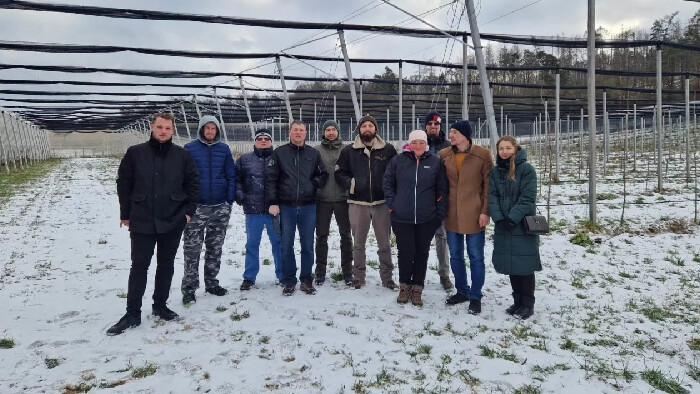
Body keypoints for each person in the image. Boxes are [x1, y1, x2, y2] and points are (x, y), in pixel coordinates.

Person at [108, 113, 199, 335]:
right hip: (142, 219)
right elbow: (124, 183)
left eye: (168, 128)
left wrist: (187, 213)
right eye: (159, 127)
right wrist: (125, 213)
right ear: (151, 127)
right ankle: (132, 313)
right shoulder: (135, 153)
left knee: (166, 265)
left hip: (173, 219)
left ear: (172, 130)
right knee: (139, 266)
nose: (163, 131)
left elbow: (193, 185)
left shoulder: (182, 156)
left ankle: (160, 305)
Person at [383, 130, 447, 306]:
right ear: (409, 144)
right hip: (401, 217)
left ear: (425, 143)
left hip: (427, 218)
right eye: (414, 142)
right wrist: (392, 204)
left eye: (421, 142)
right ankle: (404, 286)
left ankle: (417, 287)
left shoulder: (435, 162)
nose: (417, 146)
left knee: (422, 252)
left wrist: (438, 214)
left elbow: (441, 189)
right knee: (405, 252)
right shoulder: (398, 161)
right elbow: (388, 182)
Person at [335, 115, 398, 290]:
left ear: (375, 129)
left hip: (382, 203)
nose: (367, 129)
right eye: (364, 126)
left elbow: (396, 173)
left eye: (371, 125)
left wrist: (390, 192)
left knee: (384, 244)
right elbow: (339, 174)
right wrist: (352, 184)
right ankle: (358, 277)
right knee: (358, 244)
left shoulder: (388, 150)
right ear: (359, 129)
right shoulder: (349, 151)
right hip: (358, 203)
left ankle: (387, 277)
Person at [266, 121, 328, 296]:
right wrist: (273, 202)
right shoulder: (279, 153)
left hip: (308, 206)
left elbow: (323, 174)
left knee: (307, 245)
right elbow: (271, 179)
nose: (298, 133)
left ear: (305, 133)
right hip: (287, 206)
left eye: (301, 130)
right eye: (295, 130)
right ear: (289, 132)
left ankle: (307, 279)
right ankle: (289, 280)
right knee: (286, 245)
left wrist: (312, 184)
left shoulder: (313, 154)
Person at [439, 120, 493, 315]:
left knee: (476, 256)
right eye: (451, 132)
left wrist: (485, 211)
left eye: (454, 132)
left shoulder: (483, 155)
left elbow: (488, 186)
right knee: (455, 255)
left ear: (465, 135)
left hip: (474, 212)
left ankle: (476, 295)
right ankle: (462, 291)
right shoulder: (444, 154)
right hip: (451, 213)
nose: (451, 135)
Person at [180, 115, 235, 305]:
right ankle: (189, 288)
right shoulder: (190, 148)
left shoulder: (224, 149)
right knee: (192, 249)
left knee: (215, 247)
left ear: (217, 130)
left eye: (213, 128)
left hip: (220, 207)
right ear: (201, 129)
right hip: (197, 208)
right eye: (207, 128)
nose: (210, 131)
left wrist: (229, 200)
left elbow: (231, 175)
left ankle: (211, 283)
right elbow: (183, 177)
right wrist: (187, 203)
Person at [489, 136, 541, 320]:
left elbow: (527, 198)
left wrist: (512, 218)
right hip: (503, 224)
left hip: (521, 225)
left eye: (508, 148)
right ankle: (517, 301)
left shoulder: (527, 170)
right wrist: (499, 218)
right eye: (501, 148)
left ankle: (528, 304)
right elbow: (492, 196)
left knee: (524, 264)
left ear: (515, 149)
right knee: (511, 263)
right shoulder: (495, 172)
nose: (504, 151)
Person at [235, 129, 283, 290]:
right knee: (252, 244)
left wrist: (281, 202)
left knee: (278, 243)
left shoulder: (279, 158)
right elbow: (236, 180)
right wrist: (241, 196)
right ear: (255, 141)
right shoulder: (244, 159)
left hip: (274, 210)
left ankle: (282, 274)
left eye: (266, 138)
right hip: (253, 210)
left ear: (271, 141)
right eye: (260, 138)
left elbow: (285, 181)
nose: (263, 141)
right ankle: (249, 277)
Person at [315, 120, 353, 286]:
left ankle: (348, 272)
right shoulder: (316, 151)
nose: (330, 132)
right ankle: (320, 272)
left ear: (338, 131)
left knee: (346, 236)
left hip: (342, 199)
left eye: (333, 129)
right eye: (327, 129)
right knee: (321, 236)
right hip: (322, 199)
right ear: (324, 132)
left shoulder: (347, 150)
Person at [424, 110, 453, 291]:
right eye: (430, 124)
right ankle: (416, 274)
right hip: (422, 198)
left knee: (441, 236)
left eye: (436, 124)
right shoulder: (419, 143)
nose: (433, 127)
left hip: (441, 198)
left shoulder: (448, 146)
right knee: (420, 238)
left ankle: (444, 274)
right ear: (425, 126)